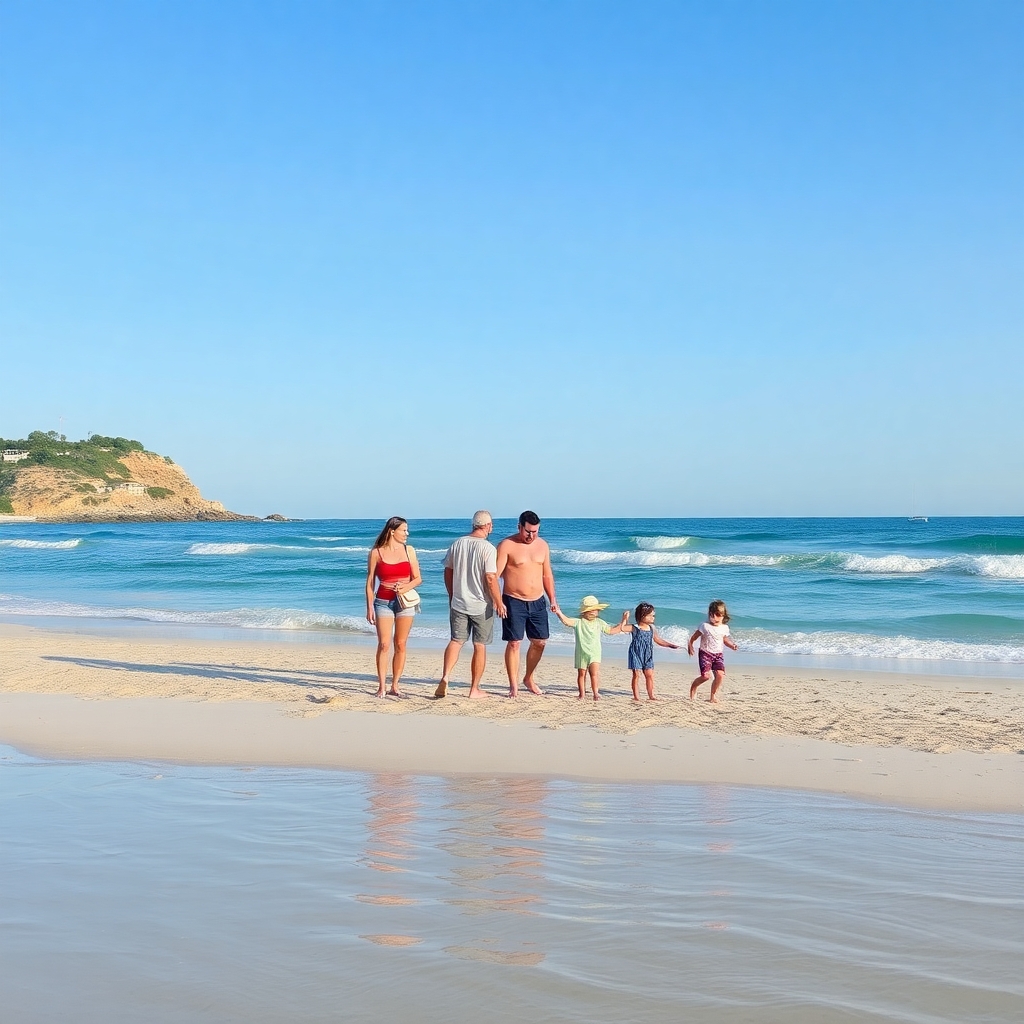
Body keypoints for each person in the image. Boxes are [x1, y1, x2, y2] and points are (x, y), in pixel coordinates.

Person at [434, 511, 506, 699]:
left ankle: (446, 676)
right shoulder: (488, 548)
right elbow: (490, 578)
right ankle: (474, 688)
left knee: (456, 641)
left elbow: (448, 572)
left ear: (473, 525)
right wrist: (499, 602)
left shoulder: (457, 544)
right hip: (481, 605)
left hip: (459, 602)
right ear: (488, 526)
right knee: (479, 645)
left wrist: (452, 594)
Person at [495, 510, 559, 698]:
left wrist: (552, 599)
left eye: (535, 532)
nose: (531, 536)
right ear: (519, 527)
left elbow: (547, 574)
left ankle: (528, 678)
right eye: (528, 532)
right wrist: (498, 601)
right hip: (513, 600)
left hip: (538, 600)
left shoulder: (543, 546)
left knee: (540, 642)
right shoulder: (506, 545)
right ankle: (513, 685)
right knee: (514, 643)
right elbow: (494, 576)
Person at [365, 516, 423, 699]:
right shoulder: (376, 552)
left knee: (400, 644)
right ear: (392, 531)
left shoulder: (409, 550)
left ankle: (395, 685)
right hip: (383, 602)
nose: (407, 533)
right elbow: (369, 582)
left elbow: (418, 578)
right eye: (404, 530)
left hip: (404, 602)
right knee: (383, 644)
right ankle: (381, 687)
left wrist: (405, 587)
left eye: (407, 530)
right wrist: (369, 607)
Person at [554, 595, 628, 701]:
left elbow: (611, 631)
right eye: (592, 610)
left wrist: (623, 621)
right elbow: (566, 621)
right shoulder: (578, 622)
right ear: (585, 612)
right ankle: (582, 694)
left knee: (594, 674)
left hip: (595, 652)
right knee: (581, 674)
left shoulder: (599, 622)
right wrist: (558, 611)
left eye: (596, 610)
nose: (594, 612)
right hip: (581, 652)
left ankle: (596, 693)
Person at [620, 602, 680, 701]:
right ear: (642, 616)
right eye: (650, 615)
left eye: (654, 615)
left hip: (648, 654)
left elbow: (657, 639)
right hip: (635, 653)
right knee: (636, 674)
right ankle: (636, 697)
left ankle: (651, 695)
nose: (653, 617)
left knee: (649, 674)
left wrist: (669, 645)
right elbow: (622, 628)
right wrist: (625, 618)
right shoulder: (635, 627)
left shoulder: (652, 628)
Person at [688, 600, 738, 703]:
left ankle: (713, 696)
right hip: (705, 653)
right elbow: (693, 637)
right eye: (712, 615)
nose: (715, 618)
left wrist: (732, 645)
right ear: (709, 614)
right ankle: (694, 687)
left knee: (720, 675)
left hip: (718, 654)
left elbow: (724, 640)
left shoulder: (724, 628)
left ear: (723, 615)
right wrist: (690, 645)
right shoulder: (704, 626)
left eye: (718, 615)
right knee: (706, 676)